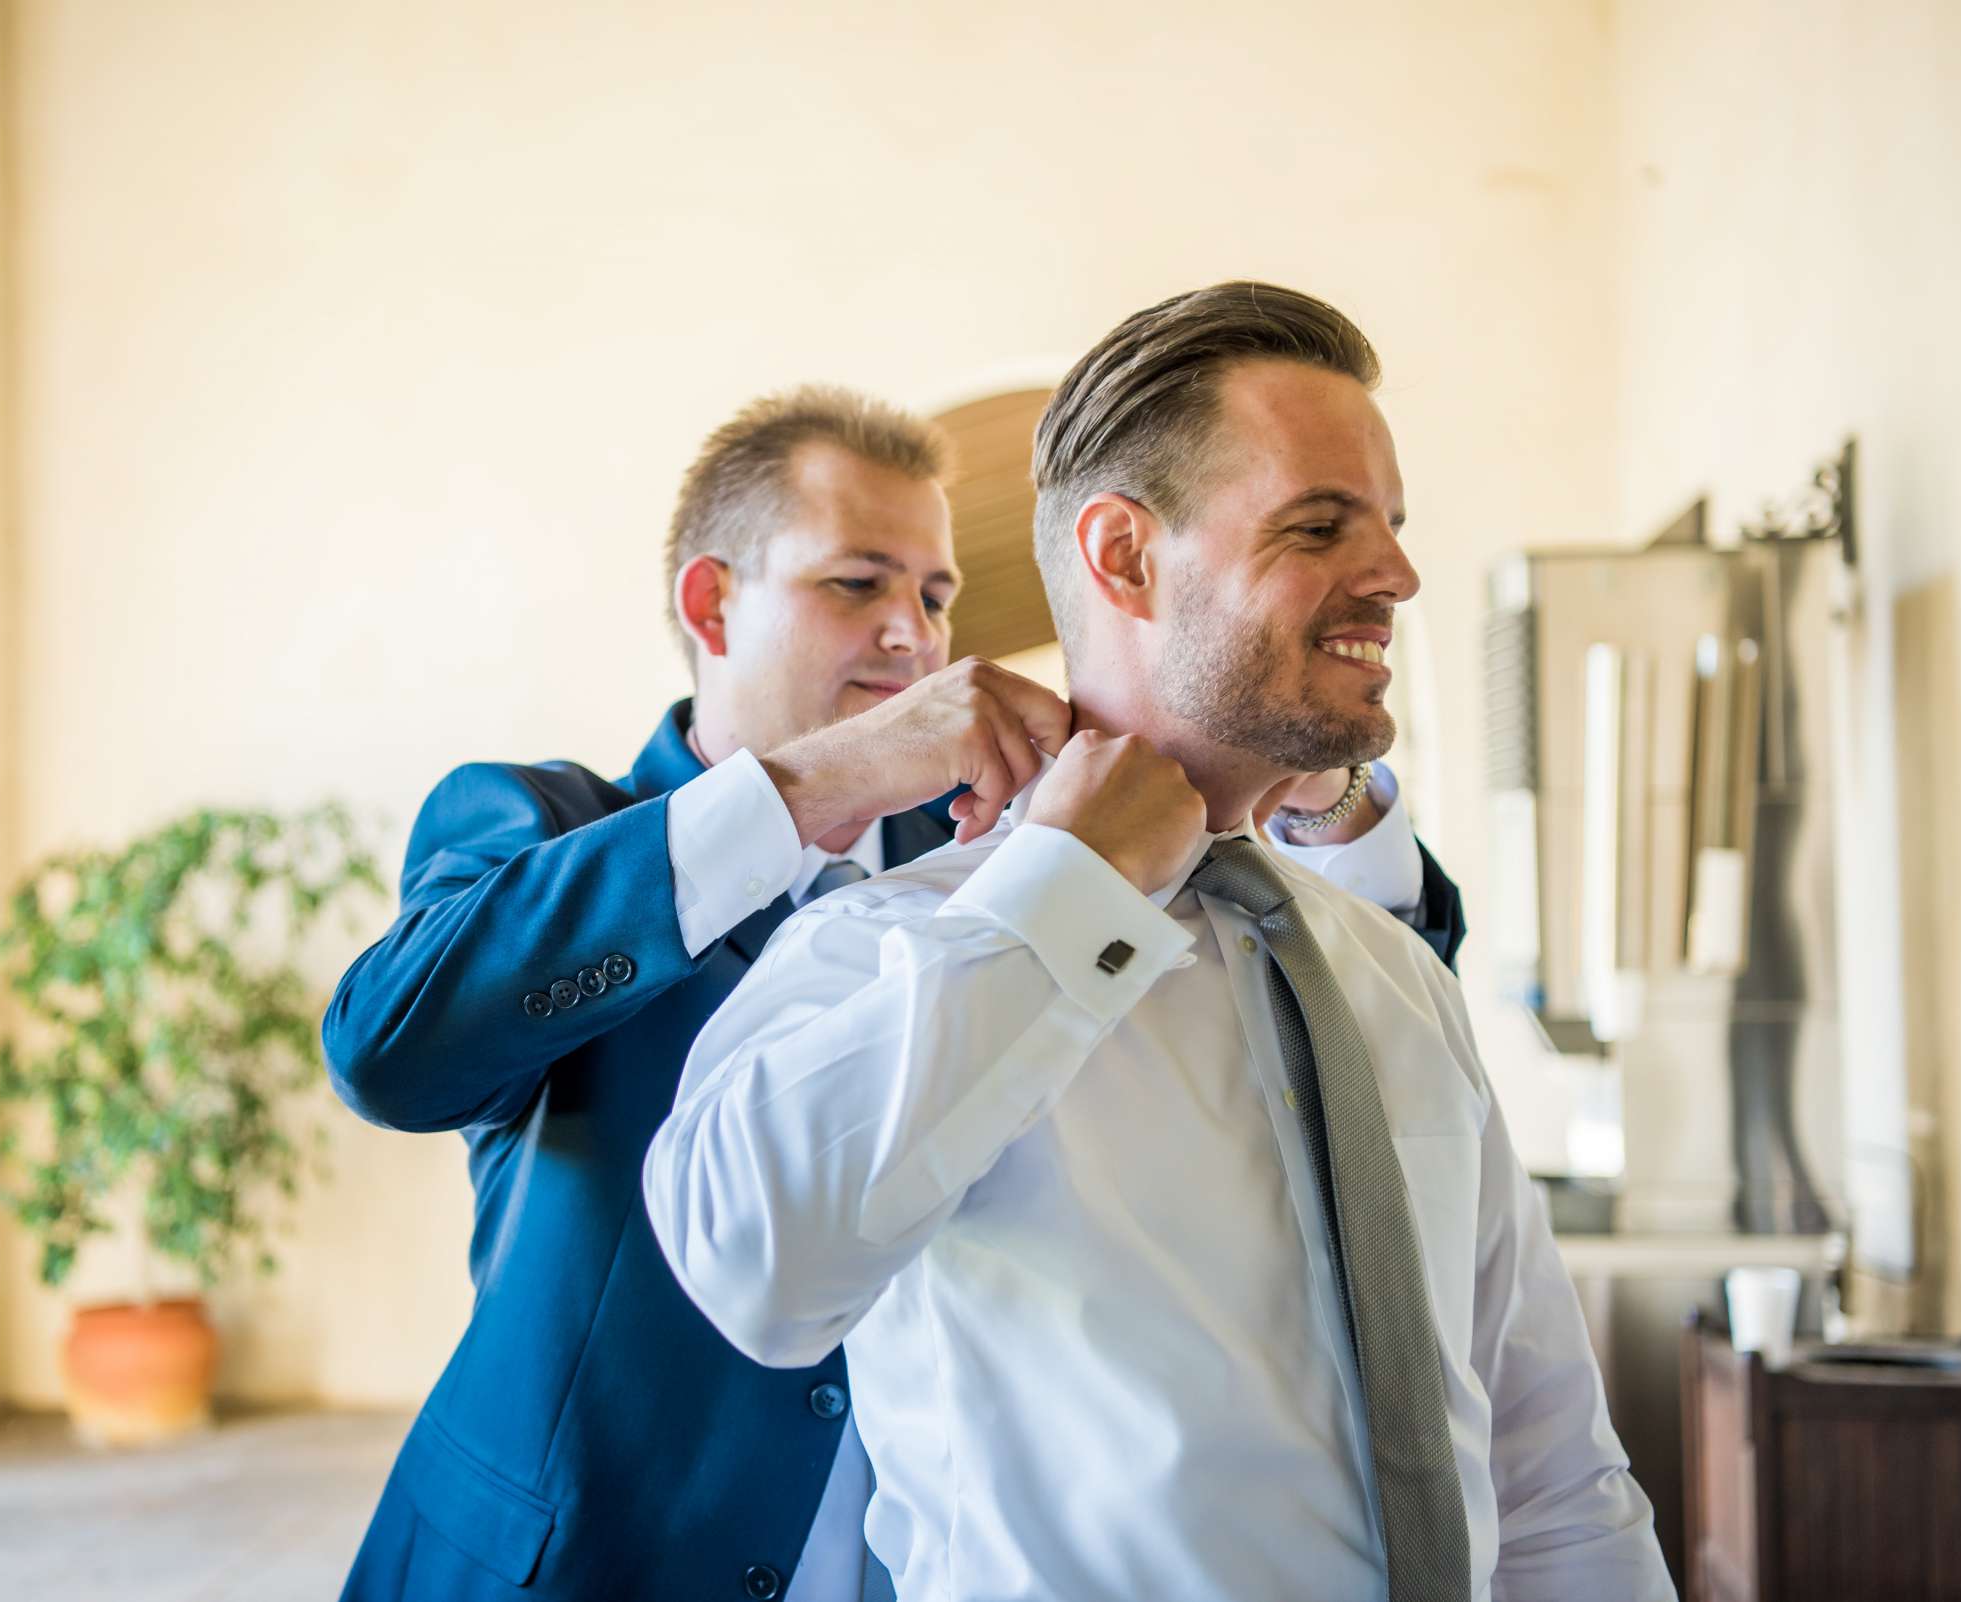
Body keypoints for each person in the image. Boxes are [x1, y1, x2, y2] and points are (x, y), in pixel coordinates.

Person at [322, 382, 1472, 1601]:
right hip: (579, 1562)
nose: (912, 635)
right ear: (712, 603)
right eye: (855, 584)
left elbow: (1359, 1002)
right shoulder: (554, 829)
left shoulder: (1001, 853)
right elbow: (393, 1056)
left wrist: (1313, 781)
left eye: (934, 595)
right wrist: (821, 781)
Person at [645, 286, 1672, 1602]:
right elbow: (753, 1265)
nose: (1400, 576)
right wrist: (1066, 894)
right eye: (1319, 525)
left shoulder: (1397, 979)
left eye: (1394, 528)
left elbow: (1548, 1465)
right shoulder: (887, 940)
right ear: (1124, 556)